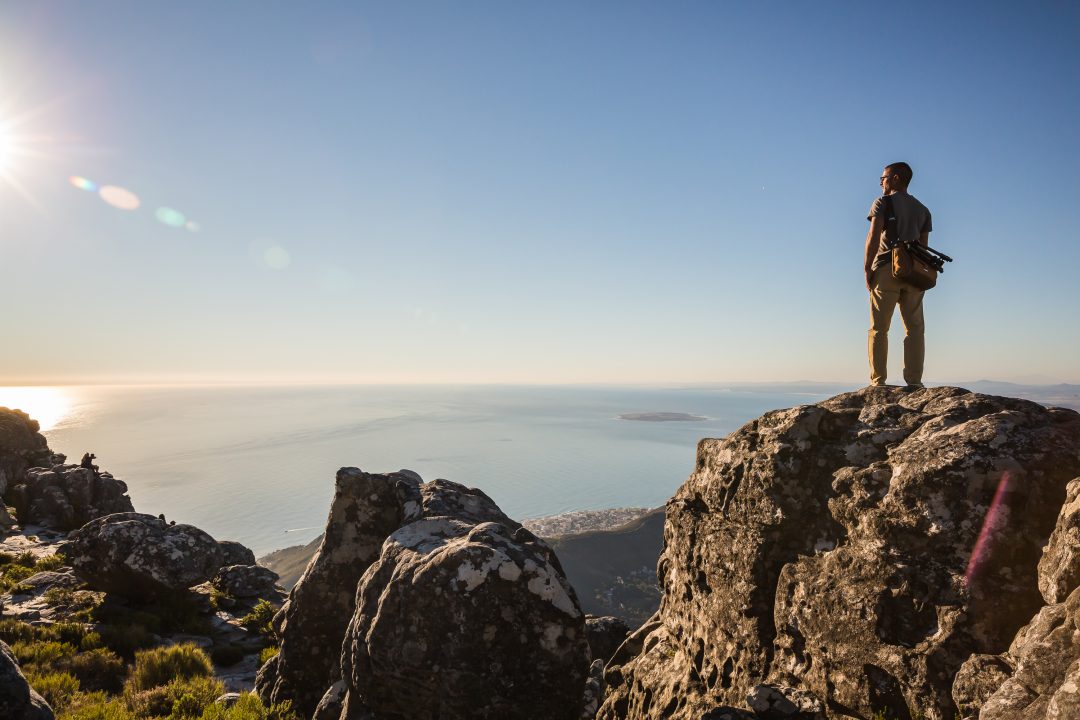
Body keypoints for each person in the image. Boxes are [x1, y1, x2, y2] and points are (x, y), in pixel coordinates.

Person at [864, 162, 933, 387]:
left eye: (883, 178)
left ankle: (878, 382)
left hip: (885, 269)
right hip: (913, 275)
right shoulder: (923, 210)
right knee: (915, 329)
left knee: (879, 328)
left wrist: (868, 268)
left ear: (895, 178)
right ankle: (914, 381)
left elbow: (873, 237)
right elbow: (923, 248)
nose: (881, 182)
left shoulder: (883, 203)